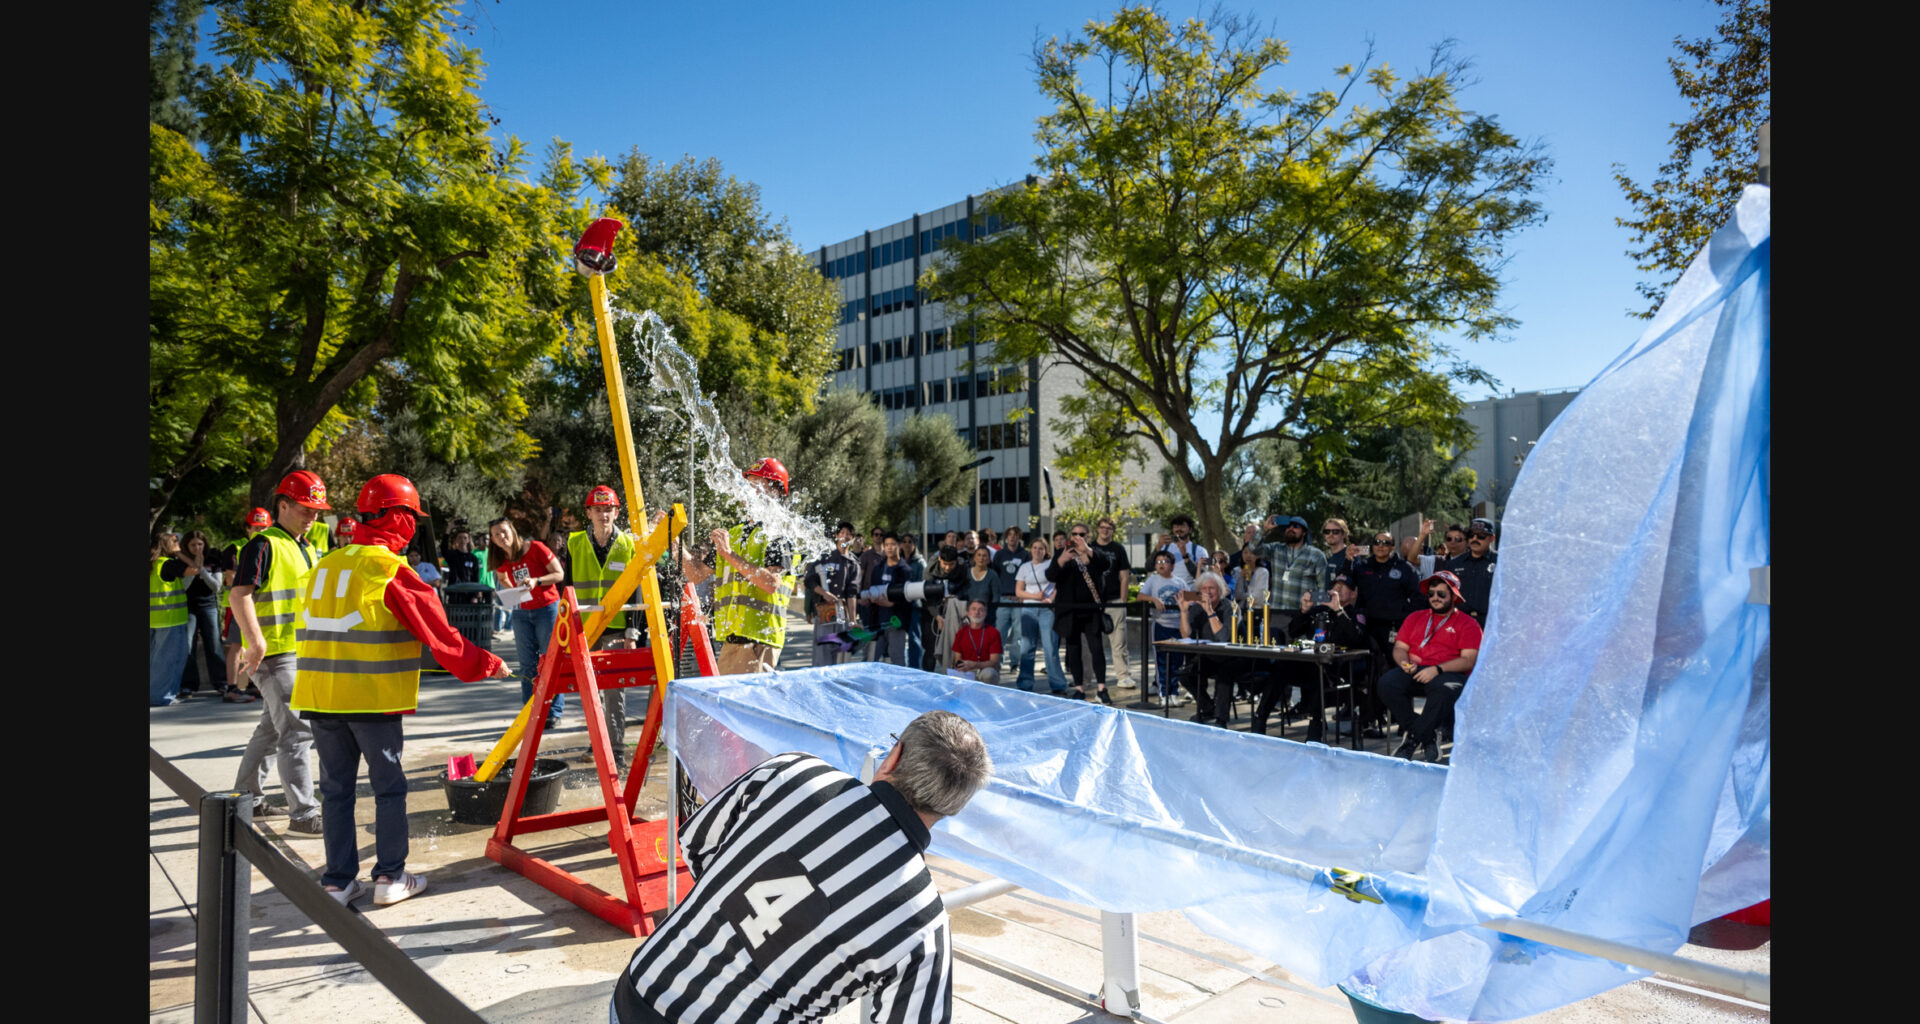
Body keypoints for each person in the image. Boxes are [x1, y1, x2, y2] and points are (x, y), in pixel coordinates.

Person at [609, 710, 993, 1024]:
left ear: (894, 756)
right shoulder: (923, 923)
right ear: (953, 807)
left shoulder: (794, 773)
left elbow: (699, 846)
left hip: (641, 992)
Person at [290, 474, 510, 906]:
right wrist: (489, 664)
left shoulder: (325, 565)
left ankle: (337, 881)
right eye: (412, 518)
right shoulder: (391, 572)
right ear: (400, 519)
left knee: (335, 792)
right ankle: (390, 878)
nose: (414, 528)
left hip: (319, 699)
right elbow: (442, 639)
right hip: (371, 700)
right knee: (388, 789)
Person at [229, 470, 329, 832]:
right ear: (283, 505)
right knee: (297, 732)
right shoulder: (262, 545)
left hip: (295, 650)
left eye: (317, 510)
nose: (313, 516)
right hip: (274, 654)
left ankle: (247, 798)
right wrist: (255, 642)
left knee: (271, 730)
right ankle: (303, 815)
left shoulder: (306, 547)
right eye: (306, 508)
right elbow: (238, 595)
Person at [681, 458, 800, 676]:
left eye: (756, 485)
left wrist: (729, 554)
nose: (748, 491)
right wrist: (673, 541)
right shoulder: (734, 534)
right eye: (749, 484)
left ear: (773, 492)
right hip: (732, 639)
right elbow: (696, 574)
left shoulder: (779, 535)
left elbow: (771, 583)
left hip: (759, 642)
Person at [568, 485, 645, 774]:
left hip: (615, 629)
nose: (603, 515)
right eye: (597, 510)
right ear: (588, 513)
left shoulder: (627, 543)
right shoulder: (575, 543)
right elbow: (568, 588)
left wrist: (631, 633)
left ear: (616, 511)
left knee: (615, 694)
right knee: (590, 693)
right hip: (585, 630)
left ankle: (616, 752)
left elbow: (636, 589)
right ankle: (596, 744)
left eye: (608, 509)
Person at [1377, 570, 1483, 763]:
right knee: (1387, 683)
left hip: (1450, 672)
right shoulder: (1415, 617)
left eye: (1441, 594)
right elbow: (1400, 648)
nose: (1435, 598)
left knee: (1442, 690)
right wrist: (1404, 662)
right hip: (1416, 668)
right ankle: (1427, 735)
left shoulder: (1468, 623)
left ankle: (1412, 740)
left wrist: (1437, 669)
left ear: (1453, 596)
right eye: (1431, 593)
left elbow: (1469, 660)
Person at [1255, 573, 1372, 740]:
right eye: (1334, 587)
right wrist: (1304, 610)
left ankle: (1315, 731)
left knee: (1320, 673)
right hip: (1312, 663)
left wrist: (1338, 610)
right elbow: (1294, 631)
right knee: (1282, 666)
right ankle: (1260, 718)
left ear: (1353, 593)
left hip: (1338, 670)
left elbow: (1357, 639)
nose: (1336, 591)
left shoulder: (1356, 614)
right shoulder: (1319, 610)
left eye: (1342, 588)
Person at [489, 515, 569, 729]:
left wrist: (537, 581)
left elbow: (559, 574)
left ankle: (553, 712)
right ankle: (530, 710)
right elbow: (502, 577)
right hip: (521, 612)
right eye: (496, 535)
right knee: (527, 664)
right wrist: (511, 590)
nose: (501, 537)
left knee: (550, 661)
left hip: (547, 609)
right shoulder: (501, 558)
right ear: (493, 540)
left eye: (504, 531)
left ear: (512, 530)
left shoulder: (535, 548)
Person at [1047, 527, 1114, 703]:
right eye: (1074, 534)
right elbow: (1050, 575)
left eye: (1081, 535)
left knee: (1097, 649)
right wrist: (1062, 559)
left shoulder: (1094, 553)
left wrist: (1088, 551)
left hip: (1091, 611)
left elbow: (1106, 564)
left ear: (1088, 536)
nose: (1077, 537)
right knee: (1073, 650)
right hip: (1069, 611)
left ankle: (1101, 688)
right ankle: (1079, 688)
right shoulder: (1063, 553)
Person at [1176, 571, 1242, 725]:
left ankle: (1221, 719)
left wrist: (1210, 612)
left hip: (1233, 656)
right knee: (1186, 674)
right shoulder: (1197, 608)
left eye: (1211, 588)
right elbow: (1186, 635)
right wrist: (1184, 611)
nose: (1207, 592)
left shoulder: (1230, 608)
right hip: (1210, 655)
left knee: (1224, 674)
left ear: (1220, 591)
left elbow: (1222, 637)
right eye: (1203, 589)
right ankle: (1207, 708)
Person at [222, 508, 273, 702]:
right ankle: (232, 687)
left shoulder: (268, 545)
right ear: (247, 528)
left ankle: (253, 685)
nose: (260, 532)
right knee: (236, 646)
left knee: (256, 644)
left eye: (264, 527)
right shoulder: (235, 548)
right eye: (256, 528)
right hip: (238, 605)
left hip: (260, 605)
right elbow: (230, 578)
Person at [1013, 537, 1068, 694]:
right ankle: (1025, 683)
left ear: (1046, 551)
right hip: (1028, 609)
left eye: (1041, 548)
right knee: (1027, 647)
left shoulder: (1051, 565)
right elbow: (1018, 591)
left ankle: (1058, 684)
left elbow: (1058, 586)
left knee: (1050, 647)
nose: (1037, 551)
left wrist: (1050, 599)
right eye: (1035, 547)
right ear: (1031, 549)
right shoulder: (1024, 567)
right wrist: (1036, 597)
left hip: (1047, 609)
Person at [177, 530, 228, 696]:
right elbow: (183, 586)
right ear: (186, 546)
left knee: (214, 644)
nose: (197, 548)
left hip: (209, 606)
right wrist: (193, 569)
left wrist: (202, 570)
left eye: (200, 544)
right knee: (187, 646)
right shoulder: (180, 560)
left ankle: (221, 682)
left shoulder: (213, 558)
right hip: (188, 607)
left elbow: (216, 586)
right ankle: (189, 685)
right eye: (192, 545)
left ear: (205, 544)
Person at [805, 521, 861, 668]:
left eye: (849, 534)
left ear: (853, 539)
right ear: (837, 536)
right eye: (842, 533)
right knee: (822, 654)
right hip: (824, 611)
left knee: (840, 656)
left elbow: (852, 593)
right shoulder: (824, 556)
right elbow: (809, 580)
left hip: (842, 614)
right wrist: (824, 593)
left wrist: (853, 620)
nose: (845, 536)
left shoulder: (854, 563)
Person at [1260, 515, 1326, 639]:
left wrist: (1310, 602)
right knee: (1275, 655)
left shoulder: (1316, 555)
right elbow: (1253, 549)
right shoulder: (1275, 549)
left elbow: (1324, 590)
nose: (1291, 528)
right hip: (1277, 615)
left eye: (1296, 526)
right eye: (1287, 526)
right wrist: (1265, 530)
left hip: (1302, 616)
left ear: (1304, 532)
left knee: (1300, 656)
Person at [149, 531, 194, 707]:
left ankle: (157, 694)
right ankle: (162, 697)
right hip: (170, 619)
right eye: (175, 542)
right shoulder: (167, 564)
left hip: (154, 619)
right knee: (169, 660)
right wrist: (180, 554)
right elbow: (195, 569)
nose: (178, 544)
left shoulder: (152, 564)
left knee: (155, 660)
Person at [1139, 551, 1188, 708]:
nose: (1161, 564)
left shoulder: (1180, 582)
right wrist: (1153, 599)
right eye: (1158, 562)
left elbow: (1191, 598)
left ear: (1172, 565)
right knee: (1162, 661)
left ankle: (1174, 693)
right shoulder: (1153, 580)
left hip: (1178, 626)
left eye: (1165, 561)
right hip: (1161, 625)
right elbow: (1140, 596)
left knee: (1177, 661)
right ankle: (1164, 694)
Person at [1090, 517, 1134, 690]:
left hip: (1114, 600)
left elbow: (1124, 577)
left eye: (1109, 528)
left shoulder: (1118, 549)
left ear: (1113, 531)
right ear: (1098, 529)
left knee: (1119, 641)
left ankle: (1123, 676)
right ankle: (1087, 678)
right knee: (1090, 643)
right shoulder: (1090, 547)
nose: (1105, 530)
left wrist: (1122, 602)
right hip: (1093, 603)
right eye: (1102, 527)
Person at [857, 532, 910, 665]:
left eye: (892, 544)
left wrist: (891, 604)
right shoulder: (877, 569)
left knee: (897, 659)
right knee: (870, 658)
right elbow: (872, 591)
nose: (889, 548)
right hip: (877, 621)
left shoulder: (905, 570)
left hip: (896, 622)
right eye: (887, 545)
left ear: (899, 546)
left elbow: (908, 599)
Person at [1445, 517, 1499, 627]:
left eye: (1481, 536)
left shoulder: (1500, 563)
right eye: (1471, 535)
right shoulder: (1454, 564)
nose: (1474, 539)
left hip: (1490, 623)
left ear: (1492, 538)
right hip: (1460, 623)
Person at [949, 599, 1004, 684]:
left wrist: (974, 664)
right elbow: (957, 658)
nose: (977, 612)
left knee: (989, 674)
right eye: (973, 609)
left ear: (985, 614)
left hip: (984, 670)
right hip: (966, 670)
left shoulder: (993, 633)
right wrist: (963, 666)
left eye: (981, 610)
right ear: (968, 613)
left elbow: (994, 661)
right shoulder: (961, 633)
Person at [897, 533, 928, 670]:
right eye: (904, 541)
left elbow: (923, 584)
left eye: (910, 541)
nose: (907, 544)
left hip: (915, 605)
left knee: (914, 639)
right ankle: (901, 668)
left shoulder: (920, 562)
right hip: (898, 605)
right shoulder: (896, 560)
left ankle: (915, 669)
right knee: (897, 639)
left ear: (914, 544)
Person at [1159, 513, 1208, 584]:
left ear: (1190, 530)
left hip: (1189, 592)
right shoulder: (1164, 548)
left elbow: (1202, 577)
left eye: (1182, 526)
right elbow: (1151, 567)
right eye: (1175, 527)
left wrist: (1185, 556)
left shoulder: (1200, 550)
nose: (1178, 529)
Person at [1321, 518, 1361, 586]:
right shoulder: (1330, 557)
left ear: (1344, 534)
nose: (1330, 534)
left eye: (1335, 531)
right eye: (1327, 531)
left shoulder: (1352, 555)